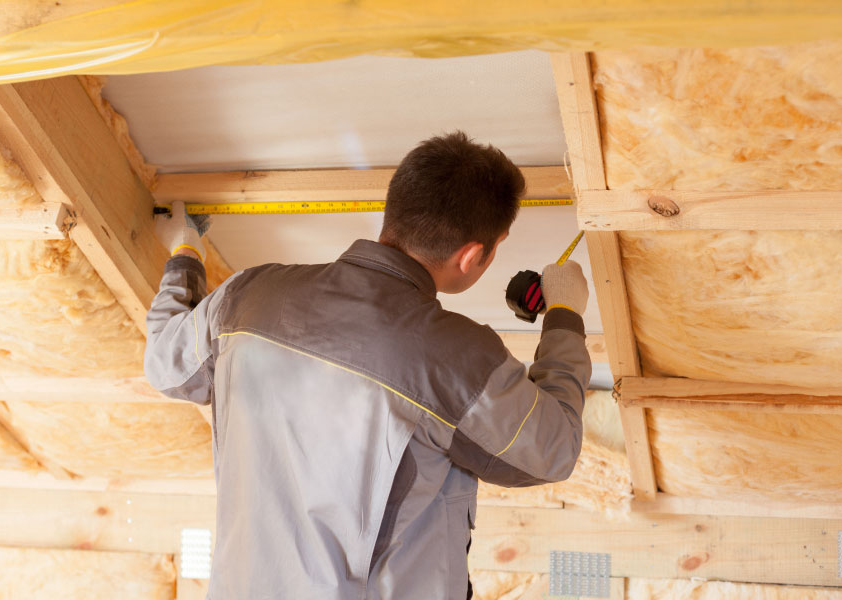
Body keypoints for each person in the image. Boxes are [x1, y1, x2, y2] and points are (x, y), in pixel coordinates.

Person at [145, 131, 591, 599]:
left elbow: (164, 362)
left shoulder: (246, 295)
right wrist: (566, 315)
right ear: (472, 255)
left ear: (395, 210)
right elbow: (553, 448)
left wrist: (185, 252)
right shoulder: (457, 356)